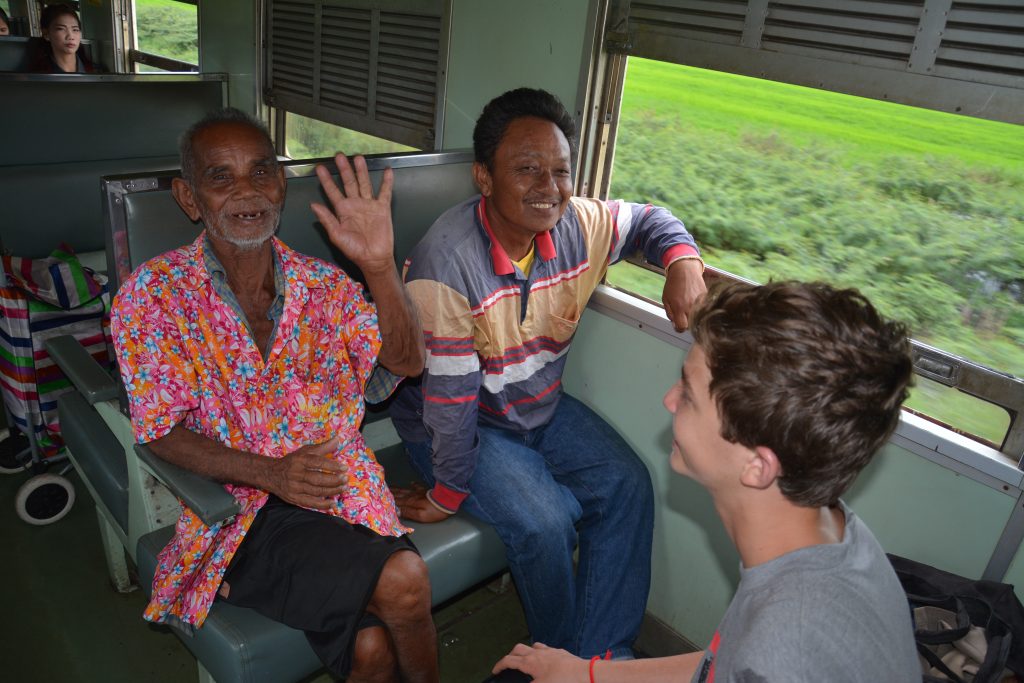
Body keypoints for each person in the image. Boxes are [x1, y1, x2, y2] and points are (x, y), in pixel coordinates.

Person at [111, 108, 437, 683]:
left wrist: (381, 267)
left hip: (339, 492)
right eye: (221, 177)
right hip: (240, 509)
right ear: (189, 198)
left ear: (280, 184)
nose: (247, 192)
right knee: (405, 586)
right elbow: (161, 431)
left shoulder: (326, 285)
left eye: (261, 172)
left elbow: (407, 360)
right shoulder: (152, 298)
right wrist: (272, 474)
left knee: (372, 656)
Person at [388, 87, 707, 660]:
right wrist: (447, 489)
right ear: (484, 178)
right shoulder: (445, 262)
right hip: (459, 422)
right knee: (545, 523)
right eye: (527, 170)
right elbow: (451, 397)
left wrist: (683, 262)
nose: (549, 187)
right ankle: (553, 661)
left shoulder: (576, 226)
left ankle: (602, 659)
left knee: (627, 484)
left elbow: (648, 219)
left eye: (560, 170)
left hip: (536, 405)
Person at [492, 280, 922, 682]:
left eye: (689, 395)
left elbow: (754, 660)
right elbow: (723, 661)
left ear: (758, 466)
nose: (669, 400)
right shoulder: (828, 531)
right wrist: (585, 673)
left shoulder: (782, 650)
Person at [29, 4, 97, 73]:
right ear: (46, 34)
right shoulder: (37, 75)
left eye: (75, 30)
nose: (70, 36)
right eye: (61, 29)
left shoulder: (96, 72)